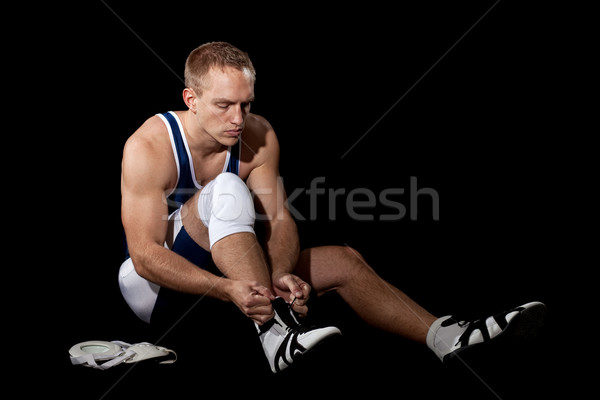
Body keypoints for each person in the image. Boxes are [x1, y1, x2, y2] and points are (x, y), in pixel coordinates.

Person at [118, 41, 545, 374]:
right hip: (156, 290)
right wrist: (229, 288)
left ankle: (444, 337)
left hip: (230, 270)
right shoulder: (150, 145)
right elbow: (144, 256)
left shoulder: (259, 134)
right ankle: (274, 333)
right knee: (228, 188)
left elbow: (279, 220)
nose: (237, 118)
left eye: (246, 104)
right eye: (223, 105)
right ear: (191, 98)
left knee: (345, 260)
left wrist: (283, 271)